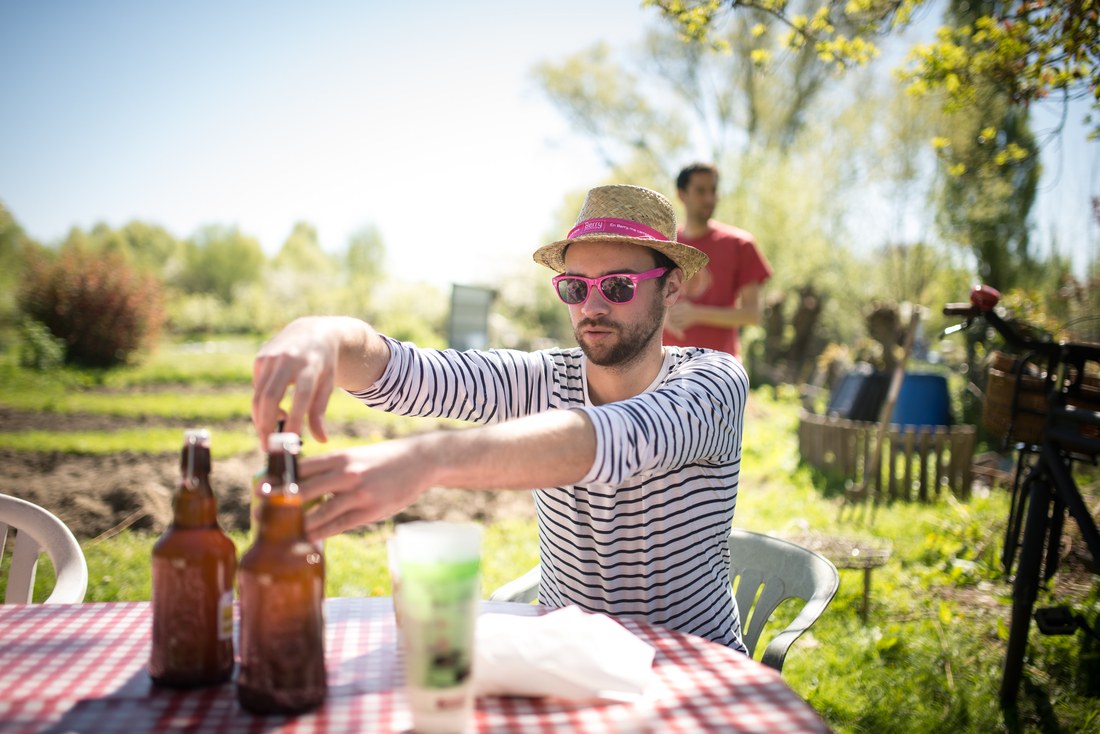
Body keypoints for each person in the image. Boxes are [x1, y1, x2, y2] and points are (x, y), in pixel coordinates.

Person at [251, 184, 751, 652]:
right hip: (567, 665)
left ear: (670, 289)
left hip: (692, 666)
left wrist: (428, 460)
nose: (591, 306)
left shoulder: (714, 382)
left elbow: (613, 439)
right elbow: (406, 373)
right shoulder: (543, 378)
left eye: (618, 286)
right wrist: (324, 334)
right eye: (575, 288)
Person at [663, 162, 773, 360]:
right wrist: (663, 320)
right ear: (682, 194)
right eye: (700, 191)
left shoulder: (740, 244)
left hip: (716, 370)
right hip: (662, 367)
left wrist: (696, 314)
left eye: (713, 191)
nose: (709, 199)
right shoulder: (664, 244)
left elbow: (752, 314)